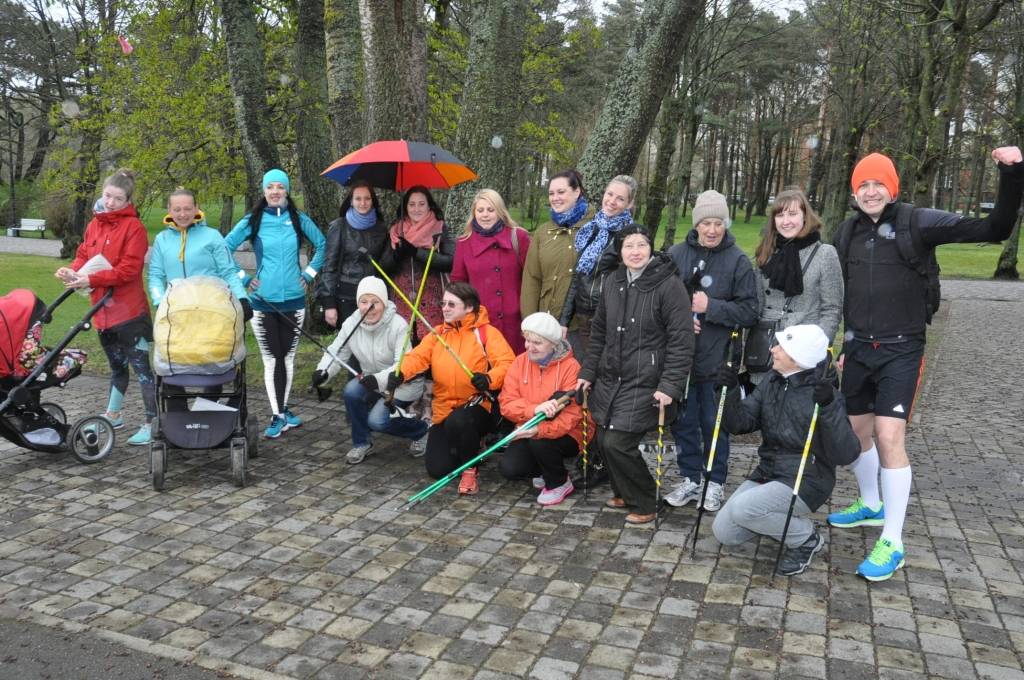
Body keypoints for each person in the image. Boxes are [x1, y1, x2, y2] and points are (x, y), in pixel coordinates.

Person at [829, 146, 1024, 581]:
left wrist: (1012, 174)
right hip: (859, 349)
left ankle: (892, 541)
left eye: (880, 183)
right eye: (864, 184)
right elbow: (846, 291)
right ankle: (870, 504)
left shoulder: (919, 222)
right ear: (854, 192)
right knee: (856, 435)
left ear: (893, 188)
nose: (871, 190)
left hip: (902, 348)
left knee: (888, 435)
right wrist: (844, 343)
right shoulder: (846, 233)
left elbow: (995, 227)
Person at [713, 324, 860, 576]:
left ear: (798, 358)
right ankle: (777, 521)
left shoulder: (824, 395)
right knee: (725, 532)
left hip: (807, 480)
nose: (773, 350)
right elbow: (739, 423)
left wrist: (828, 408)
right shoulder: (773, 381)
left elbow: (847, 454)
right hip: (769, 472)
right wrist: (728, 391)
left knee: (743, 509)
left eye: (781, 346)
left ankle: (805, 538)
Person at [576, 224, 694, 525]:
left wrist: (670, 385)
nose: (635, 251)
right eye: (629, 246)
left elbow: (682, 340)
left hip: (648, 380)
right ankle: (624, 492)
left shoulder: (668, 285)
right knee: (603, 439)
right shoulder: (613, 282)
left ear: (650, 248)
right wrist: (588, 371)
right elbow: (599, 332)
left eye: (642, 244)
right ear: (620, 251)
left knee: (619, 443)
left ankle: (647, 502)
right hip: (612, 376)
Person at [664, 190, 758, 512]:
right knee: (684, 422)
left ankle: (714, 481)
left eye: (718, 223)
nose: (712, 230)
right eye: (707, 223)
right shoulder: (676, 255)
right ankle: (691, 478)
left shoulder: (739, 261)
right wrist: (679, 321)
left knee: (713, 422)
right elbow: (660, 301)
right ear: (697, 224)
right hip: (681, 358)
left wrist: (711, 307)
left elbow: (750, 311)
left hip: (719, 359)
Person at [55, 168, 156, 446]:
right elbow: (84, 255)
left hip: (130, 313)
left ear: (128, 201)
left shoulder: (134, 228)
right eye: (107, 196)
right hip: (101, 311)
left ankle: (151, 421)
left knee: (142, 369)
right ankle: (113, 413)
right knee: (116, 367)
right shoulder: (94, 224)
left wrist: (91, 277)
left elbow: (128, 269)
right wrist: (73, 272)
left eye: (118, 198)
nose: (110, 203)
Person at [387, 281, 515, 495]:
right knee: (438, 469)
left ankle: (470, 470)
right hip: (444, 410)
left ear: (469, 308)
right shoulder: (437, 334)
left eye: (451, 304)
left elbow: (508, 363)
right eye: (443, 303)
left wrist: (488, 379)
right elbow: (417, 358)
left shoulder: (486, 333)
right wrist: (400, 373)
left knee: (460, 421)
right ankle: (472, 449)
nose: (444, 308)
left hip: (478, 407)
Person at [225, 169, 326, 439]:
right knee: (271, 360)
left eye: (280, 187)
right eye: (270, 187)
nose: (275, 192)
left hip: (294, 300)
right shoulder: (253, 220)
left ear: (287, 191)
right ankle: (277, 415)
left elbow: (323, 245)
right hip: (263, 302)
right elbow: (223, 248)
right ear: (264, 191)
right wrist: (244, 278)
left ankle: (283, 409)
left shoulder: (297, 219)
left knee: (288, 357)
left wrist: (309, 275)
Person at [311, 277, 428, 464]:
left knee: (378, 421)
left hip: (402, 384)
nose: (369, 307)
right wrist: (323, 371)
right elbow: (337, 351)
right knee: (350, 391)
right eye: (363, 302)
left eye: (375, 302)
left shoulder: (398, 325)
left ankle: (421, 430)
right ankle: (361, 443)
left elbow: (403, 364)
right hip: (370, 380)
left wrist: (377, 380)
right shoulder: (352, 322)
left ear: (384, 302)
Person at [750, 188, 843, 372]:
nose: (786, 221)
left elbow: (832, 309)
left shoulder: (824, 254)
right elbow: (756, 304)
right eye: (780, 215)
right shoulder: (766, 251)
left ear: (805, 217)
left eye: (792, 214)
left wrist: (817, 348)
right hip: (766, 349)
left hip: (802, 353)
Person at [497, 312, 584, 506]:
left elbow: (573, 415)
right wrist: (533, 410)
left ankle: (559, 482)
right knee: (510, 469)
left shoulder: (571, 367)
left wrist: (540, 430)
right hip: (528, 426)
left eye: (537, 342)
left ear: (553, 344)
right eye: (527, 340)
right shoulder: (520, 362)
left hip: (568, 432)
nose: (529, 346)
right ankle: (542, 469)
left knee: (541, 442)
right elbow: (506, 403)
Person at [559, 175, 637, 359]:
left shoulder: (630, 237)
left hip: (610, 319)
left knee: (605, 372)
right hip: (584, 318)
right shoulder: (591, 229)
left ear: (629, 204)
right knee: (588, 372)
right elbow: (578, 277)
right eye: (610, 194)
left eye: (620, 199)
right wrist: (564, 320)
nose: (612, 201)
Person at [451, 189, 531, 355]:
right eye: (480, 210)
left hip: (516, 323)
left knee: (515, 371)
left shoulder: (519, 237)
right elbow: (458, 284)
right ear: (474, 213)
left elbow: (532, 277)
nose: (485, 215)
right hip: (481, 323)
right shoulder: (464, 243)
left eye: (490, 210)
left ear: (500, 211)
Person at [149, 187, 251, 311]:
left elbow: (229, 272)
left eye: (187, 209)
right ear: (169, 210)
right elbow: (156, 276)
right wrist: (159, 301)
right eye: (177, 209)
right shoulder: (162, 239)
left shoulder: (212, 236)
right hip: (176, 312)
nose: (182, 214)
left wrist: (242, 298)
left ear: (196, 208)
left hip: (212, 310)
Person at [520, 170, 594, 321]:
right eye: (551, 193)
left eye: (561, 192)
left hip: (581, 327)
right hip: (547, 321)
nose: (555, 198)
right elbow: (532, 279)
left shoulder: (595, 228)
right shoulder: (543, 232)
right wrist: (529, 321)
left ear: (577, 192)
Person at [380, 186, 454, 330]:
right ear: (405, 207)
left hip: (433, 303)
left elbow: (449, 262)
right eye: (412, 204)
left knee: (431, 346)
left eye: (421, 204)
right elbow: (383, 267)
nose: (416, 209)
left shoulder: (440, 228)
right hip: (401, 301)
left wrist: (417, 252)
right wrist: (397, 256)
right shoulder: (396, 231)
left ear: (429, 205)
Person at [317, 181, 389, 326]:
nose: (363, 203)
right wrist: (329, 303)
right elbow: (329, 267)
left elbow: (386, 265)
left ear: (373, 201)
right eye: (358, 198)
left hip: (374, 296)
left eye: (367, 198)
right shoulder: (339, 226)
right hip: (346, 296)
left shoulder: (381, 228)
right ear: (351, 201)